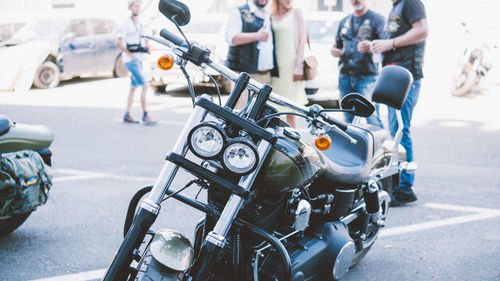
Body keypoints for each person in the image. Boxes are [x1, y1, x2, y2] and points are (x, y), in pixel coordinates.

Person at [370, 0, 428, 206]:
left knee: (401, 131)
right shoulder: (396, 7)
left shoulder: (410, 3)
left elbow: (422, 31)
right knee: (396, 132)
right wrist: (379, 44)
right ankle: (397, 185)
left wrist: (391, 43)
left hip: (406, 77)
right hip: (396, 76)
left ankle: (404, 187)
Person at [330, 0, 385, 127]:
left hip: (367, 77)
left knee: (372, 117)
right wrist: (334, 51)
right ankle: (352, 146)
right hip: (345, 76)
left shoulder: (376, 19)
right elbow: (337, 44)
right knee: (347, 119)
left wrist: (371, 46)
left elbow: (385, 43)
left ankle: (379, 146)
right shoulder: (345, 21)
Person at [225, 0, 274, 109]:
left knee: (258, 116)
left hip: (266, 76)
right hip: (245, 75)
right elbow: (231, 38)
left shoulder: (269, 13)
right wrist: (257, 36)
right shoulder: (239, 11)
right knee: (240, 113)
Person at [116, 0, 157, 125]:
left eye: (139, 6)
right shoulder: (125, 24)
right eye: (135, 5)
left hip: (138, 59)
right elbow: (118, 42)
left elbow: (141, 40)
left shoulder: (139, 24)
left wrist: (147, 47)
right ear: (130, 7)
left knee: (133, 88)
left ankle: (127, 114)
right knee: (145, 85)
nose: (137, 8)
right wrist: (131, 55)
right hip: (131, 61)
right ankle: (145, 114)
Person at [270, 0, 308, 128]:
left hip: (291, 69)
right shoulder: (270, 14)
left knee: (290, 110)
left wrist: (299, 65)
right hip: (273, 70)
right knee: (273, 110)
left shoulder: (296, 13)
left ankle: (293, 144)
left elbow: (302, 39)